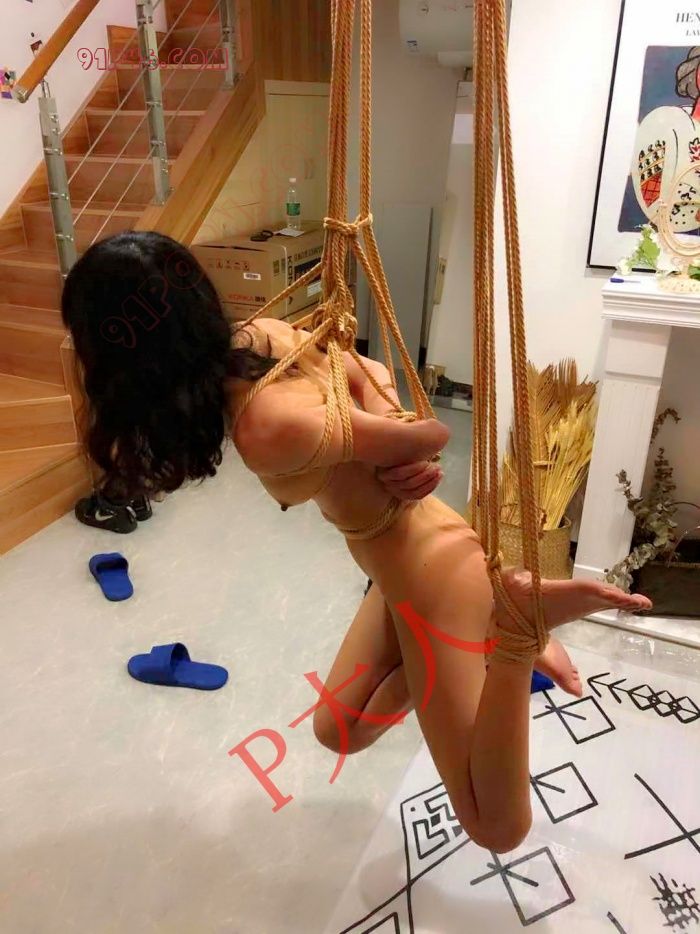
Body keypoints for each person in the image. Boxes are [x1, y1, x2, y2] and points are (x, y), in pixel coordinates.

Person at [62, 231, 651, 852]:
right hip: (398, 571)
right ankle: (481, 634)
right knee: (338, 729)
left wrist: (390, 438)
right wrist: (377, 430)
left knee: (496, 826)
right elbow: (363, 369)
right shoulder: (259, 338)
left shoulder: (265, 424)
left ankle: (516, 632)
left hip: (433, 580)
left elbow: (429, 437)